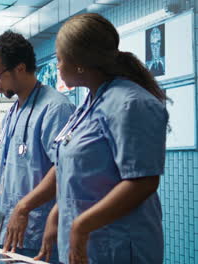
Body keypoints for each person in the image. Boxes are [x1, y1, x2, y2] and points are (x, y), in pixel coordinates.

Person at [42, 13, 168, 264]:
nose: (57, 66)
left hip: (117, 244)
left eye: (59, 59)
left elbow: (142, 181)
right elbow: (76, 174)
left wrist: (82, 225)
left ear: (79, 63)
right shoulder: (89, 102)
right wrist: (57, 215)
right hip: (85, 243)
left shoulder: (131, 103)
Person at [0, 31, 75, 260]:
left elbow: (65, 169)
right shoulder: (11, 113)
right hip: (8, 234)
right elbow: (9, 179)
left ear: (19, 68)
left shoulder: (55, 109)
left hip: (39, 236)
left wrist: (23, 207)